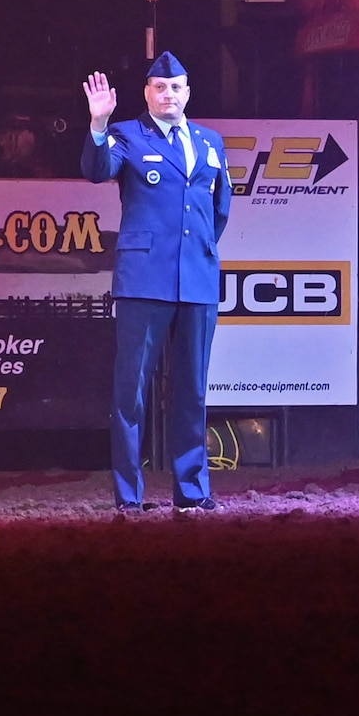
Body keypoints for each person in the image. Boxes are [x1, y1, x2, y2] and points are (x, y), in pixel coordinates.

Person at [80, 54, 233, 512]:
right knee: (131, 391)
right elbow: (97, 170)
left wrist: (200, 249)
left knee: (193, 389)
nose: (169, 95)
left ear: (188, 92)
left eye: (177, 88)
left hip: (197, 279)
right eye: (160, 88)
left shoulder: (209, 141)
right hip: (144, 279)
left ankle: (193, 492)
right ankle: (129, 497)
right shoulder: (128, 133)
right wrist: (98, 124)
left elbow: (220, 207)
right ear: (147, 92)